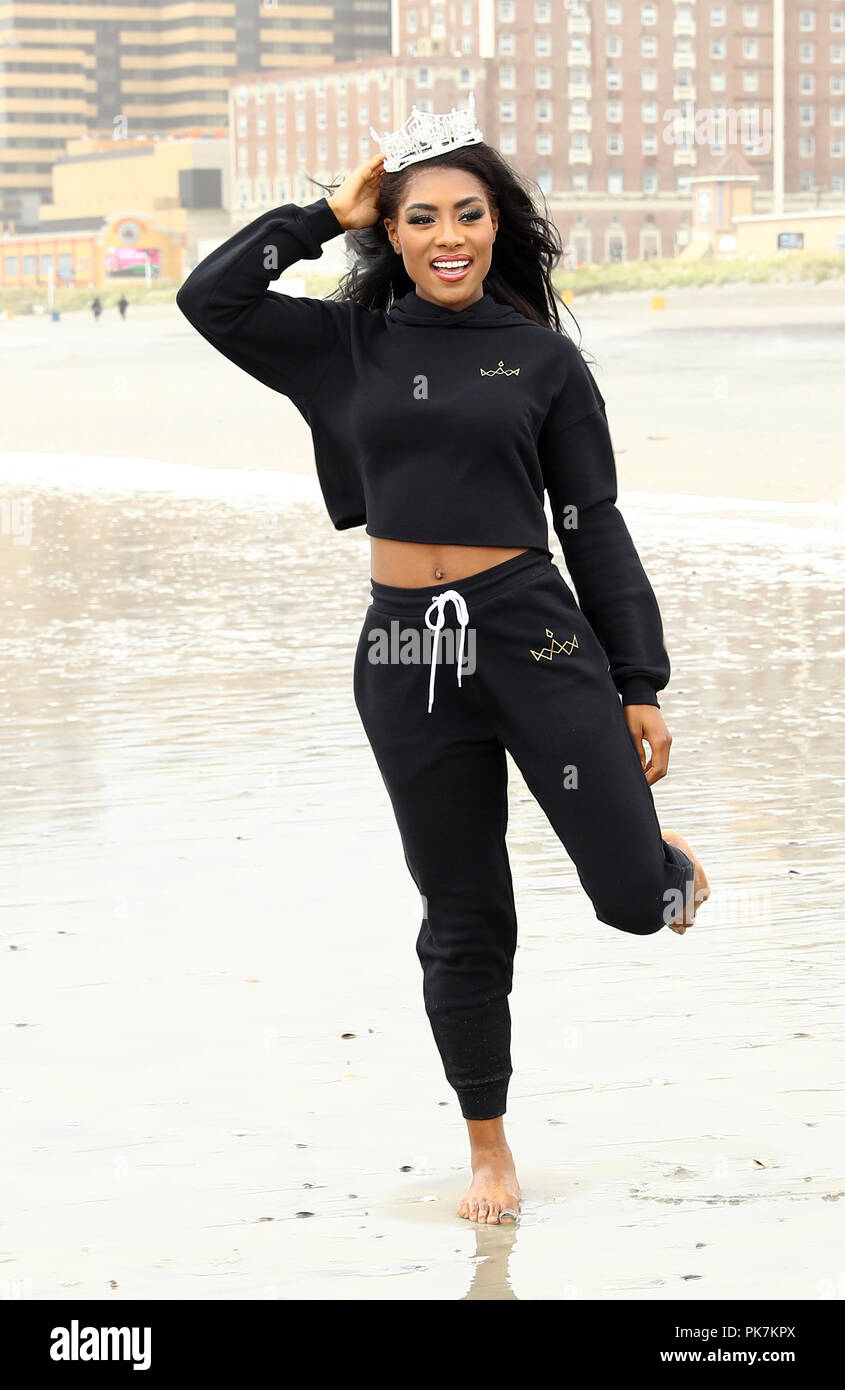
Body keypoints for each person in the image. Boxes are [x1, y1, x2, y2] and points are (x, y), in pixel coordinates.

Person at [176, 91, 711, 1227]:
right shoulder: (344, 345)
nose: (447, 237)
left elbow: (593, 523)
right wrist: (325, 211)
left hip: (535, 633)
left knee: (627, 903)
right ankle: (487, 1146)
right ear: (392, 231)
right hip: (403, 649)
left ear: (496, 227)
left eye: (468, 215)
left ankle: (645, 852)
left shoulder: (542, 362)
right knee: (461, 909)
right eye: (419, 219)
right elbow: (208, 294)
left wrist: (637, 680)